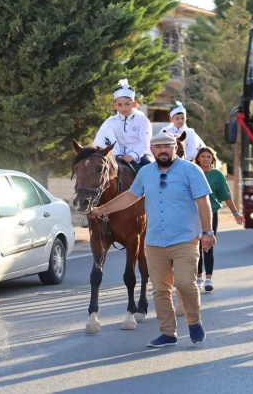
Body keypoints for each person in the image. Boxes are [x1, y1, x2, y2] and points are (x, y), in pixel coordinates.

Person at [88, 132, 214, 348]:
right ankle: (168, 333)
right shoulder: (145, 173)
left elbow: (203, 201)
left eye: (167, 146)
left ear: (175, 148)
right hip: (155, 242)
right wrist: (101, 210)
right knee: (161, 289)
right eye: (158, 147)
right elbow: (129, 197)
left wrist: (208, 232)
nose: (163, 150)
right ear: (152, 150)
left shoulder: (190, 170)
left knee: (185, 283)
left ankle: (194, 322)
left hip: (185, 239)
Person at [193, 147, 245, 291]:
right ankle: (198, 277)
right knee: (195, 246)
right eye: (202, 156)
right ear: (197, 158)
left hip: (211, 214)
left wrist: (235, 213)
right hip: (193, 214)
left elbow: (226, 196)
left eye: (208, 157)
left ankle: (208, 279)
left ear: (212, 159)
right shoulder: (192, 172)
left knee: (208, 245)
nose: (205, 159)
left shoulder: (217, 175)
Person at [93, 79, 153, 169]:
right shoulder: (110, 122)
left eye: (127, 104)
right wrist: (117, 155)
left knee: (150, 167)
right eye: (120, 105)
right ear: (115, 106)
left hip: (140, 155)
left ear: (134, 104)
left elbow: (145, 142)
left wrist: (133, 155)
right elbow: (103, 140)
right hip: (116, 155)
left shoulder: (142, 120)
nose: (123, 108)